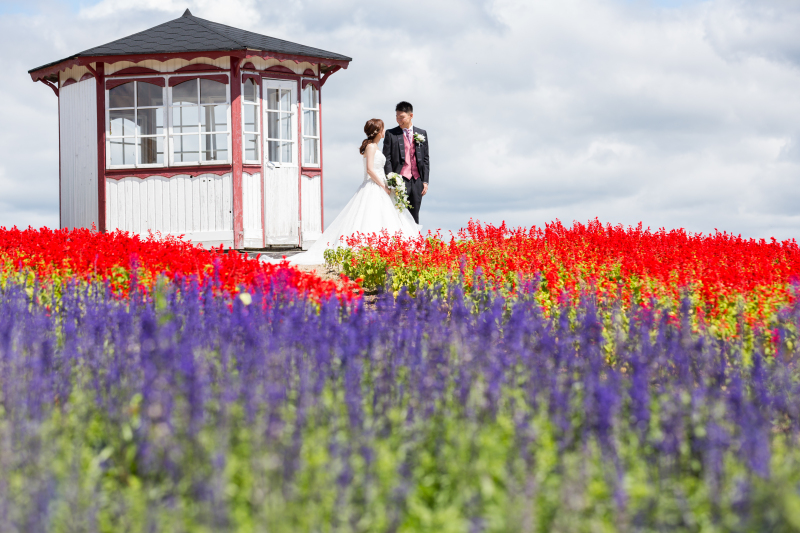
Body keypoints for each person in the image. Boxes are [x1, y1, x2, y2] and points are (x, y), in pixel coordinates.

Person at [264, 118, 420, 266]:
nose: (385, 131)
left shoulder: (374, 146)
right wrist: (383, 186)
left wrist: (389, 182)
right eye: (383, 128)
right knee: (372, 217)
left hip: (379, 185)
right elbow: (370, 170)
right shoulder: (372, 147)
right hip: (374, 186)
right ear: (378, 131)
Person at [383, 101, 430, 224]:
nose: (399, 120)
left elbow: (425, 159)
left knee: (414, 216)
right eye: (397, 117)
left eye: (401, 117)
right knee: (398, 215)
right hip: (399, 180)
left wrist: (425, 181)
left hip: (417, 180)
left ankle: (414, 242)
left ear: (411, 116)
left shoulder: (422, 133)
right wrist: (390, 180)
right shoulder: (391, 134)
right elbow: (386, 158)